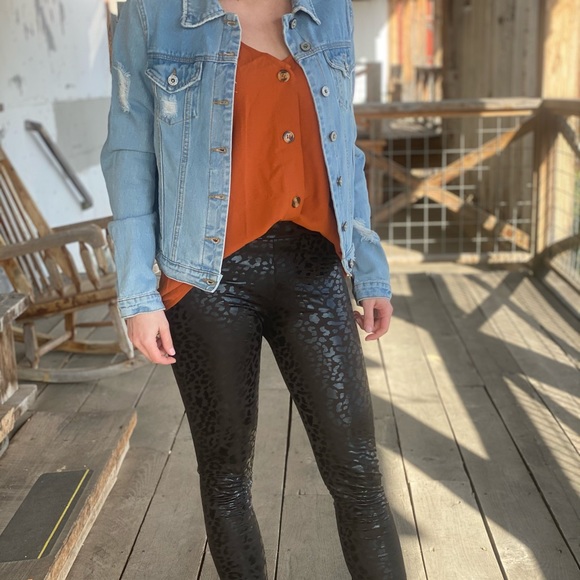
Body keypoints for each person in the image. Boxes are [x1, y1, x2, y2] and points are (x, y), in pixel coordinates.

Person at [102, 0, 406, 578]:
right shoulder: (154, 14)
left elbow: (346, 146)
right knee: (226, 479)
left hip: (314, 270)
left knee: (360, 475)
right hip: (205, 277)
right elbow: (129, 152)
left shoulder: (329, 9)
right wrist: (138, 294)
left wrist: (369, 269)